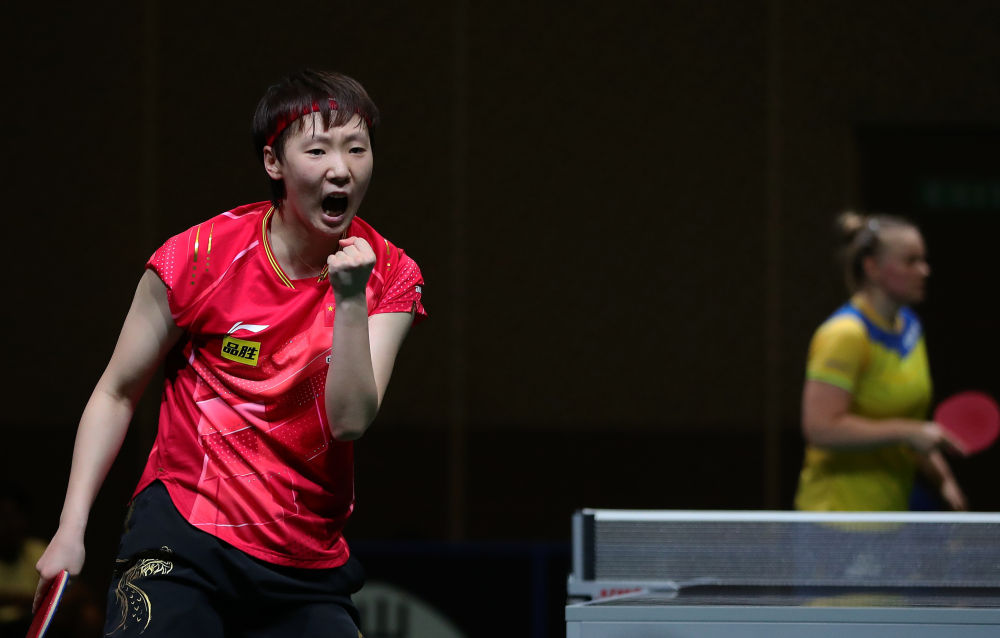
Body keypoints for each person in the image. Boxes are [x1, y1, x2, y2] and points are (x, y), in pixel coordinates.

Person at [34, 69, 426, 637]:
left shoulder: (390, 274)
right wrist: (70, 530)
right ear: (274, 162)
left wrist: (349, 300)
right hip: (183, 538)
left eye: (356, 149)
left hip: (304, 560)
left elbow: (347, 422)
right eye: (318, 150)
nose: (341, 168)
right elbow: (116, 393)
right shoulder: (198, 257)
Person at [794, 212, 966, 511]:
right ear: (871, 267)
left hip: (893, 512)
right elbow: (820, 428)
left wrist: (944, 479)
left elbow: (909, 423)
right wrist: (908, 432)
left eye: (923, 260)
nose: (924, 270)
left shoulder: (910, 326)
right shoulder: (845, 335)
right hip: (837, 517)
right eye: (910, 261)